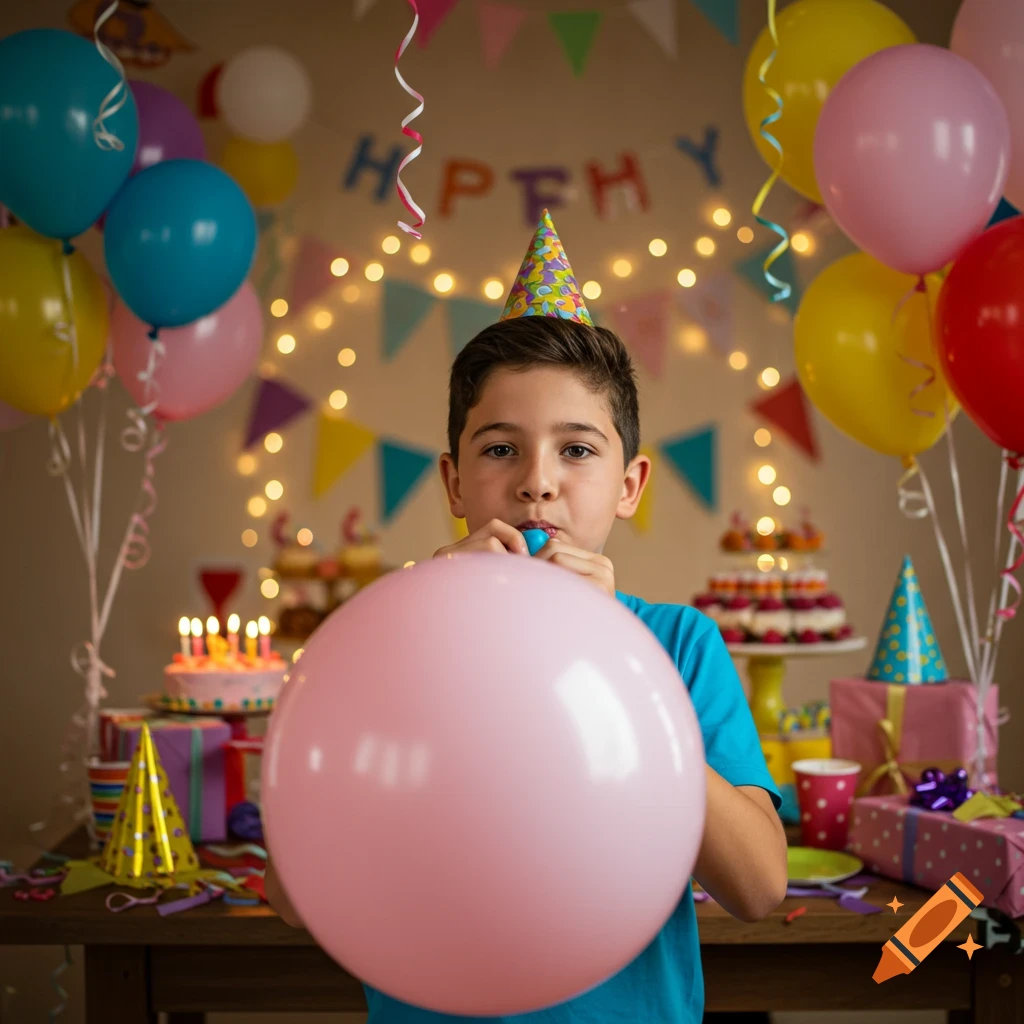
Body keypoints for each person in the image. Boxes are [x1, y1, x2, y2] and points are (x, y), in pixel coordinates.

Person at [266, 211, 788, 1023]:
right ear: (452, 481)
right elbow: (296, 896)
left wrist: (619, 657)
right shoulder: (378, 643)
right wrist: (413, 639)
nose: (537, 483)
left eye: (577, 450)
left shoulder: (679, 646)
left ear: (630, 484)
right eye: (500, 449)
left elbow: (757, 887)